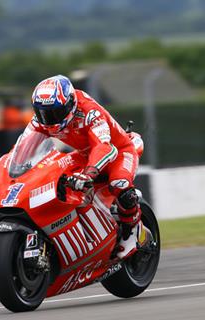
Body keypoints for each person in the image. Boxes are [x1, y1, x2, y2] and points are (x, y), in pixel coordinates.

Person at [26, 75, 145, 260]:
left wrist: (88, 174)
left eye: (54, 113)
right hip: (85, 154)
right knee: (55, 172)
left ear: (69, 104)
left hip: (119, 150)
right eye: (42, 113)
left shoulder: (89, 112)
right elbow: (23, 146)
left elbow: (104, 147)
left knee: (119, 184)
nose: (47, 119)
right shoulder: (41, 121)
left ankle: (133, 229)